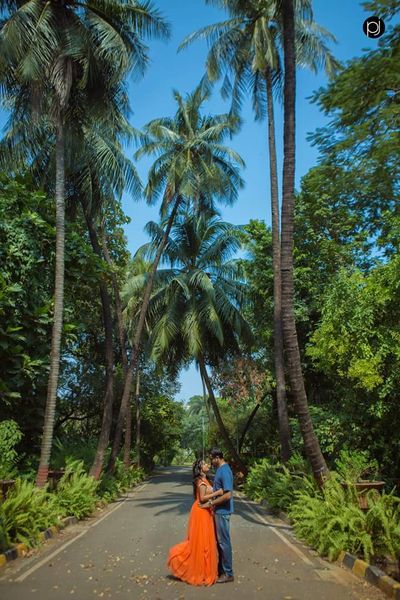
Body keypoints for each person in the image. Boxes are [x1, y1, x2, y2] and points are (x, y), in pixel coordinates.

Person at [167, 459, 223, 586]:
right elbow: (202, 498)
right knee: (200, 542)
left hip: (205, 511)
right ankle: (185, 563)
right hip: (201, 512)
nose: (207, 465)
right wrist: (217, 493)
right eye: (204, 464)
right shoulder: (200, 481)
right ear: (200, 468)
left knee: (205, 542)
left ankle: (203, 571)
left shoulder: (206, 480)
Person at [200, 448, 234, 583]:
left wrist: (211, 503)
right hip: (219, 511)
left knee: (224, 543)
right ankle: (221, 570)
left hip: (223, 512)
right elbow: (217, 490)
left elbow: (227, 495)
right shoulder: (220, 470)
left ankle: (228, 573)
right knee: (220, 543)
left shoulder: (225, 470)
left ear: (217, 457)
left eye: (212, 459)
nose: (211, 462)